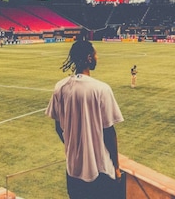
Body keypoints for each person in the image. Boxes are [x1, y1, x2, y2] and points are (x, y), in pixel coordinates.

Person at [45, 39, 124, 199]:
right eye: (95, 54)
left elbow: (58, 127)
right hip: (101, 171)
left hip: (73, 170)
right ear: (89, 57)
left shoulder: (60, 87)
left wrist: (75, 147)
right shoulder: (101, 89)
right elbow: (109, 132)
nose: (97, 57)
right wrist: (116, 166)